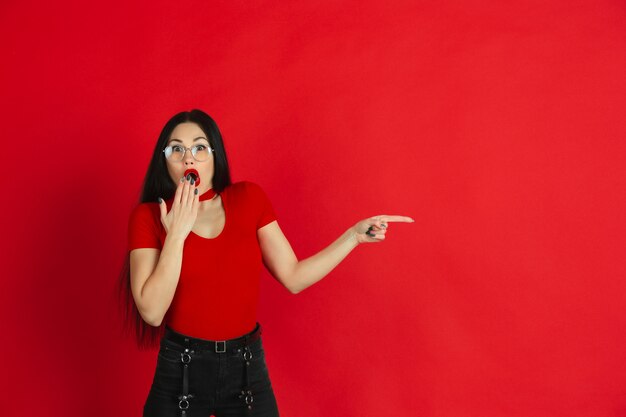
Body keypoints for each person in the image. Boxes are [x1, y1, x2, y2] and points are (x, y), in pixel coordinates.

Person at [118, 109, 414, 417]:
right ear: (164, 159)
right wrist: (177, 234)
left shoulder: (249, 199)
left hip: (246, 368)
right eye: (176, 148)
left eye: (199, 147)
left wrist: (353, 236)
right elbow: (152, 313)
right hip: (181, 369)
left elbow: (294, 277)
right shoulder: (150, 217)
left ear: (214, 155)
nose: (188, 158)